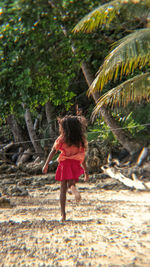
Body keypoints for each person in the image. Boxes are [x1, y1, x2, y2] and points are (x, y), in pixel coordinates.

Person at [42, 115, 89, 221]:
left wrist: (46, 164)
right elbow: (83, 156)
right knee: (71, 182)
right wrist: (86, 171)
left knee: (63, 189)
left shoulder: (62, 139)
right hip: (76, 163)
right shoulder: (80, 140)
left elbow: (53, 151)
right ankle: (72, 187)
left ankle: (63, 215)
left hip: (64, 164)